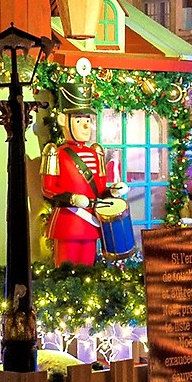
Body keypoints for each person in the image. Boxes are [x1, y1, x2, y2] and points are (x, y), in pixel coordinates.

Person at [40, 86, 121, 266]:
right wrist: (72, 198)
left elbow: (99, 189)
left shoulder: (95, 152)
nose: (86, 125)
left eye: (87, 119)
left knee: (88, 267)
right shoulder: (55, 152)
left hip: (90, 221)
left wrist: (112, 191)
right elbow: (48, 188)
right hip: (67, 221)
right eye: (78, 120)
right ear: (63, 120)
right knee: (65, 268)